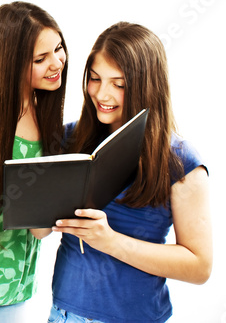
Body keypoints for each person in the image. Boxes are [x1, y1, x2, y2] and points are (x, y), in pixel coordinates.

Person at [47, 21, 212, 323]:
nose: (102, 94)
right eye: (95, 79)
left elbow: (199, 266)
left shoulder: (181, 162)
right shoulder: (70, 139)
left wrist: (109, 240)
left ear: (147, 87)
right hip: (63, 313)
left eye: (119, 84)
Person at [0, 1, 68, 323]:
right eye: (40, 58)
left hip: (17, 287)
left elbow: (39, 229)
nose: (56, 63)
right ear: (10, 63)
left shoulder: (46, 114)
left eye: (59, 48)